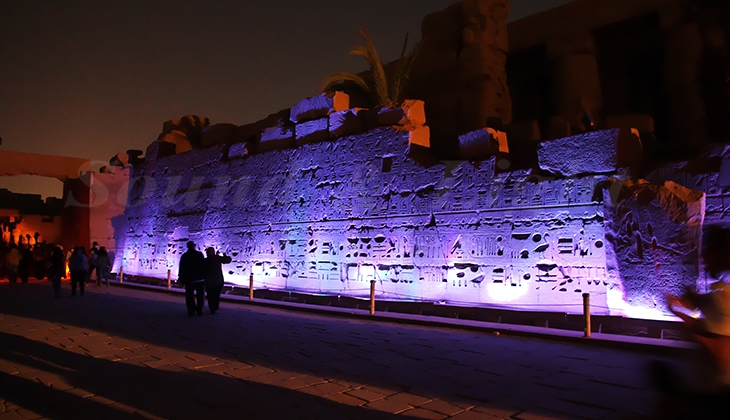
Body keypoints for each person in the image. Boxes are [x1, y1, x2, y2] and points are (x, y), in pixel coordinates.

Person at [659, 224, 730, 418]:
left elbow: (722, 354)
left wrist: (686, 322)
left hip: (719, 394)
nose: (704, 257)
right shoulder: (720, 291)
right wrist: (685, 302)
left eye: (709, 252)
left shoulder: (724, 297)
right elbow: (701, 303)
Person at [178, 241, 206, 316]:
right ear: (194, 246)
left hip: (189, 279)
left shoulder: (185, 256)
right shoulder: (199, 254)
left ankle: (191, 310)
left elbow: (182, 268)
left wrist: (181, 278)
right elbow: (204, 266)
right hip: (199, 278)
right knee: (200, 295)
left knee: (189, 295)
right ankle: (199, 309)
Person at [204, 247, 231, 314]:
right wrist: (225, 255)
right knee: (216, 295)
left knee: (210, 296)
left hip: (209, 282)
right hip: (218, 281)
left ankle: (212, 308)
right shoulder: (217, 258)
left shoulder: (205, 260)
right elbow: (228, 260)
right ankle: (215, 307)